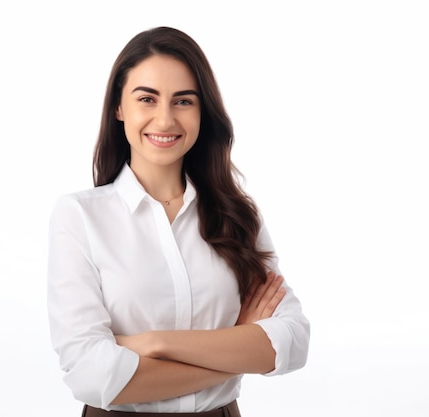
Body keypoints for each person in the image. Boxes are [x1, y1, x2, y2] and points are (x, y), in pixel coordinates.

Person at [47, 26, 310, 416]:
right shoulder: (80, 217)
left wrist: (153, 343)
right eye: (147, 99)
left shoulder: (237, 215)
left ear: (203, 111)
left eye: (183, 101)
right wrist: (237, 348)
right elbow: (92, 375)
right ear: (119, 107)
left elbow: (292, 342)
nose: (165, 119)